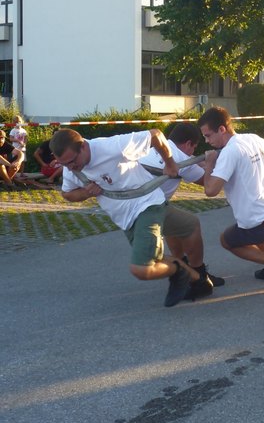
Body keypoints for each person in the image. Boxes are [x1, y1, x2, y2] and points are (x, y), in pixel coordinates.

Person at [50, 127, 212, 308]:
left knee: (141, 268)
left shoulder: (112, 147)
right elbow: (68, 194)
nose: (71, 168)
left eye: (72, 162)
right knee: (189, 226)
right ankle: (199, 280)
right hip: (124, 217)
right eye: (65, 165)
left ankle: (179, 272)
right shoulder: (71, 167)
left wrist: (170, 163)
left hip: (147, 204)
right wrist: (86, 193)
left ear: (83, 147)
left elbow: (156, 134)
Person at [197, 106, 264, 292]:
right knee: (254, 231)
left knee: (227, 240)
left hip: (263, 221)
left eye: (208, 136)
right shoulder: (250, 138)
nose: (207, 141)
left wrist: (209, 165)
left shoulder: (229, 153)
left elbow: (211, 190)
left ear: (222, 129)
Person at [140, 121, 225, 289]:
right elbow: (208, 183)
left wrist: (196, 162)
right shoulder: (181, 160)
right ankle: (199, 274)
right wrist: (209, 164)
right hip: (149, 208)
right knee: (191, 225)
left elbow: (189, 162)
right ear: (188, 144)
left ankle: (182, 265)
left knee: (174, 226)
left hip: (141, 203)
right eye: (194, 147)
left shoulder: (159, 149)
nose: (193, 152)